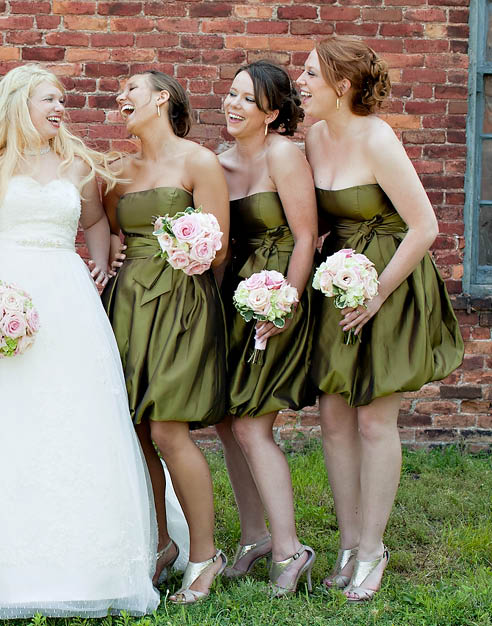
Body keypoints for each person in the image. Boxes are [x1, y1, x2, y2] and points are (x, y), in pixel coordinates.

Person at [0, 64, 160, 619]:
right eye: (49, 99)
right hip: (5, 295)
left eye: (61, 100)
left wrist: (100, 264)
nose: (59, 108)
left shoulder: (77, 163)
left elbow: (95, 222)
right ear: (19, 103)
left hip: (68, 302)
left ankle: (88, 564)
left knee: (73, 416)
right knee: (4, 419)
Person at [297, 36, 464, 601]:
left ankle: (373, 548)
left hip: (387, 285)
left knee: (373, 420)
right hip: (337, 283)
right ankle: (348, 545)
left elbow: (424, 227)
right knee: (334, 418)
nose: (301, 82)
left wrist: (375, 296)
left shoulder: (377, 139)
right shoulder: (314, 137)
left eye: (311, 74)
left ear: (342, 86)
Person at [102, 70, 229, 605]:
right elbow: (110, 232)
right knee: (135, 430)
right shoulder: (116, 171)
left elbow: (219, 249)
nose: (120, 95)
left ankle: (205, 554)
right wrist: (114, 251)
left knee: (169, 429)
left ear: (162, 98)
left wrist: (187, 254)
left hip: (181, 302)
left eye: (130, 87)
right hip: (128, 303)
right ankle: (160, 544)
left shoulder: (199, 162)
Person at [213, 60, 318, 596]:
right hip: (234, 295)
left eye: (247, 100)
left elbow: (306, 237)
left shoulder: (283, 155)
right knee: (227, 423)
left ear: (272, 114)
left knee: (253, 424)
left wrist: (284, 305)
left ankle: (290, 549)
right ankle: (254, 537)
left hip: (278, 295)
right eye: (231, 94)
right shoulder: (218, 161)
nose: (233, 105)